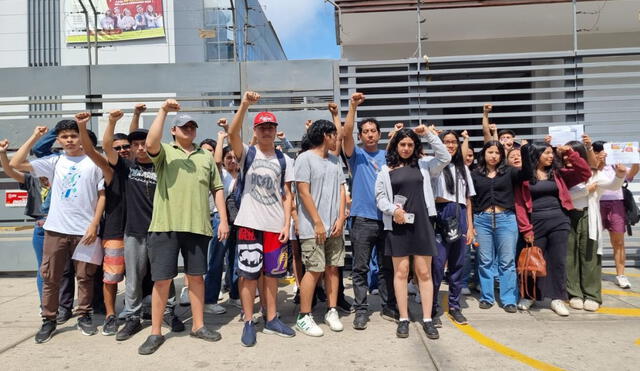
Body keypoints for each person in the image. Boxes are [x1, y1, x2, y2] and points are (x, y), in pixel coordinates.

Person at [138, 100, 229, 355]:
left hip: (197, 227)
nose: (189, 130)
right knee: (162, 281)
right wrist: (164, 111)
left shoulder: (206, 157)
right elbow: (150, 144)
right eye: (184, 127)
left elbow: (218, 189)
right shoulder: (166, 152)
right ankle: (155, 332)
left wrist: (223, 220)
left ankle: (198, 326)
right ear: (174, 131)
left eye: (192, 127)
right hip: (165, 226)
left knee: (196, 278)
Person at [10, 119, 105, 343]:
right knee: (51, 277)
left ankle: (84, 315)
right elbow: (16, 162)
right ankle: (49, 320)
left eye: (74, 135)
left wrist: (94, 224)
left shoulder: (94, 163)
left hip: (85, 232)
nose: (70, 140)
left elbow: (102, 196)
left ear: (81, 137)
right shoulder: (54, 162)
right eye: (64, 137)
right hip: (56, 230)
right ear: (58, 140)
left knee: (85, 277)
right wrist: (34, 136)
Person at [228, 91, 296, 347]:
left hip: (274, 225)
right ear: (255, 131)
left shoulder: (284, 159)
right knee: (248, 275)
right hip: (249, 223)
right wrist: (245, 105)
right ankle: (248, 320)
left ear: (275, 130)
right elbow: (234, 134)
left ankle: (271, 318)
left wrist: (286, 224)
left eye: (270, 127)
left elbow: (288, 195)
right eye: (262, 127)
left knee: (272, 276)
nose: (266, 131)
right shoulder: (248, 153)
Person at [375, 125, 450, 339]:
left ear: (415, 146)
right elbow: (380, 198)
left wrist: (427, 134)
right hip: (398, 225)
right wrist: (393, 210)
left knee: (424, 273)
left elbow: (445, 156)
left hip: (422, 224)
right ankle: (403, 318)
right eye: (402, 144)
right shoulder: (385, 169)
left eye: (410, 144)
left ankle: (427, 319)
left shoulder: (425, 165)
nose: (406, 148)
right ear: (395, 146)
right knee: (401, 272)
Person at [342, 92, 398, 330]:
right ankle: (361, 309)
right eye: (365, 131)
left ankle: (388, 306)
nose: (370, 134)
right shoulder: (357, 155)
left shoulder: (390, 157)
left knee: (388, 267)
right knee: (360, 268)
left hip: (387, 220)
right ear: (361, 135)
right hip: (362, 219)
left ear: (379, 134)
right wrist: (352, 107)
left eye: (373, 130)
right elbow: (345, 135)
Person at [515, 142, 591, 316]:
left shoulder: (558, 174)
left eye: (551, 153)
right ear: (537, 154)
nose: (551, 156)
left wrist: (570, 153)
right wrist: (526, 228)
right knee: (533, 262)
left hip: (559, 220)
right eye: (547, 153)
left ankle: (557, 298)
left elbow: (584, 172)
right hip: (536, 223)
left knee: (558, 261)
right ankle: (530, 296)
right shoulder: (524, 176)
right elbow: (519, 204)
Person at [76, 111, 132, 336]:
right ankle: (111, 316)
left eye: (125, 146)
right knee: (111, 278)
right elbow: (90, 150)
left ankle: (135, 312)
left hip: (142, 232)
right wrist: (108, 122)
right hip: (115, 233)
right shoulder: (110, 171)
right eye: (117, 148)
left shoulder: (143, 167)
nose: (122, 150)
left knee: (142, 277)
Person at [294, 120, 347, 337]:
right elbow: (303, 192)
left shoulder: (335, 161)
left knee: (333, 268)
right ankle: (304, 316)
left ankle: (331, 310)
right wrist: (317, 221)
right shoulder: (304, 158)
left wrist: (341, 218)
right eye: (335, 134)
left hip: (334, 226)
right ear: (326, 135)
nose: (337, 139)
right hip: (312, 227)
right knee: (314, 269)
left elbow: (342, 190)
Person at [566, 137, 627, 312]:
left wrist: (620, 174)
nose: (569, 157)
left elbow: (612, 186)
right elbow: (564, 196)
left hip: (588, 216)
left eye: (573, 153)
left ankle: (592, 294)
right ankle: (574, 293)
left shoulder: (593, 173)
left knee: (590, 254)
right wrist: (586, 190)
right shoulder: (561, 172)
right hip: (568, 217)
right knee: (570, 256)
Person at [471, 141, 524, 313]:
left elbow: (528, 173)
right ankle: (487, 297)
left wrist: (524, 150)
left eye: (497, 152)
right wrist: (471, 225)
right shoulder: (475, 174)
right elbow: (470, 200)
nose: (493, 156)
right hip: (482, 219)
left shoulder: (509, 172)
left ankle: (509, 299)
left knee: (507, 261)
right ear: (483, 154)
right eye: (490, 152)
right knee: (485, 261)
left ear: (502, 155)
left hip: (506, 219)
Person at [431, 130, 475, 327]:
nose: (450, 145)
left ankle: (455, 306)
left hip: (459, 213)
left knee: (458, 264)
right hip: (440, 214)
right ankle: (431, 306)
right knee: (437, 264)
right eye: (446, 142)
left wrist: (471, 226)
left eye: (453, 142)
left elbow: (468, 199)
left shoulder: (462, 168)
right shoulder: (435, 164)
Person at [203, 123, 241, 314]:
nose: (232, 160)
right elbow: (216, 161)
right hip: (220, 219)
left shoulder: (241, 175)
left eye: (235, 157)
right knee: (217, 260)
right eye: (229, 157)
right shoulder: (221, 174)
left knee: (235, 260)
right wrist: (221, 138)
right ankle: (210, 299)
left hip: (238, 222)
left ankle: (235, 296)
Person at [594, 141, 640, 289]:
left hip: (616, 204)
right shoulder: (593, 167)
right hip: (596, 204)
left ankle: (621, 275)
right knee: (592, 241)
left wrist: (635, 158)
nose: (603, 154)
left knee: (618, 242)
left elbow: (631, 174)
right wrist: (598, 162)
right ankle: (591, 274)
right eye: (599, 151)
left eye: (605, 151)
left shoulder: (616, 165)